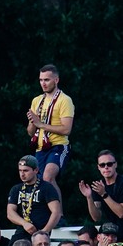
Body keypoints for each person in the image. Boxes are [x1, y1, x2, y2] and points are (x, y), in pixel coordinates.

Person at [26, 64, 75, 200]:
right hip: (40, 148)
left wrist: (41, 124)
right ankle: (51, 216)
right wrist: (32, 122)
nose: (43, 83)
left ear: (56, 80)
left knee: (47, 177)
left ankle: (59, 217)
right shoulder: (37, 100)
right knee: (40, 184)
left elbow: (66, 129)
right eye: (41, 80)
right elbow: (31, 132)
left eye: (47, 80)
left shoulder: (65, 100)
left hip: (58, 146)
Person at [6, 156, 62, 245]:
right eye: (20, 171)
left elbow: (56, 212)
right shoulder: (16, 189)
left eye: (25, 170)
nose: (22, 174)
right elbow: (10, 213)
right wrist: (24, 223)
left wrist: (44, 232)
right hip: (22, 232)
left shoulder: (46, 187)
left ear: (36, 170)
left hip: (41, 231)